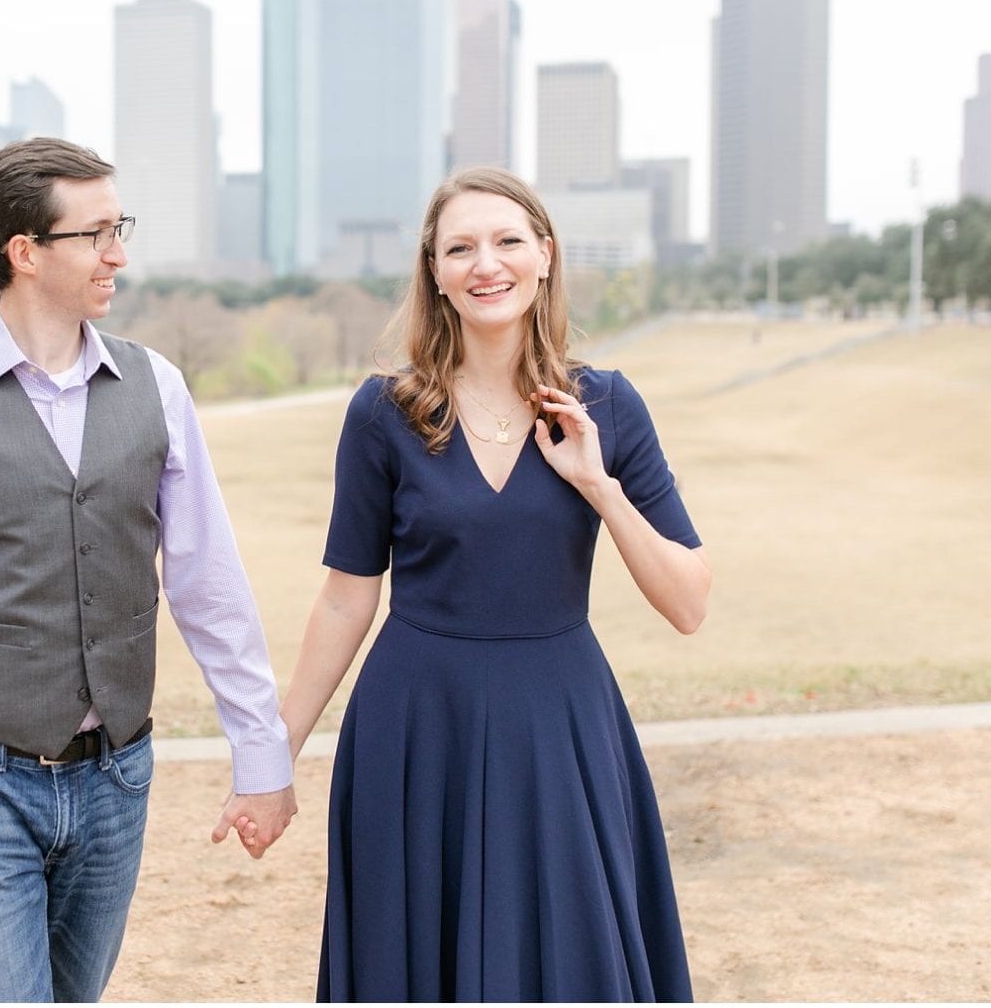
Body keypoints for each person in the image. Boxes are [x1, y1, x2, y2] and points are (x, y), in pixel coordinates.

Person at [0, 137, 297, 1003]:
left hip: (116, 775)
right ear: (25, 252)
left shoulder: (158, 387)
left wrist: (261, 755)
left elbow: (209, 585)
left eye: (121, 227)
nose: (119, 252)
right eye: (97, 234)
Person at [279, 166, 710, 1002]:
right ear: (435, 272)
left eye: (508, 241)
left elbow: (689, 601)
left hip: (560, 725)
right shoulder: (384, 413)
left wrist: (598, 484)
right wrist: (274, 753)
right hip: (415, 729)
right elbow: (346, 595)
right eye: (461, 247)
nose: (488, 264)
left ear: (545, 256)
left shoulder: (609, 407)